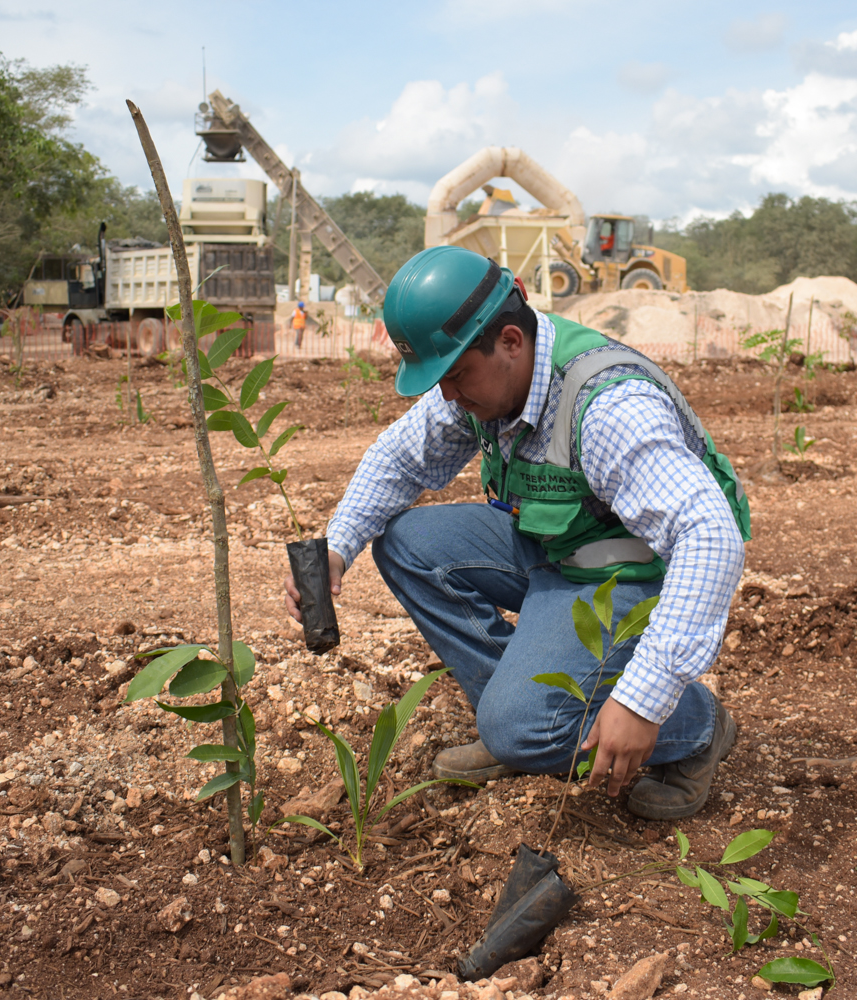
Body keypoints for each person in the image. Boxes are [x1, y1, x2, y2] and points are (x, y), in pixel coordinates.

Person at [283, 246, 751, 819]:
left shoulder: (609, 409)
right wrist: (337, 546)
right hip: (559, 547)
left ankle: (698, 724)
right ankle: (528, 720)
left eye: (455, 375)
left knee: (523, 728)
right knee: (406, 544)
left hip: (634, 570)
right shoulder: (484, 382)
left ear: (510, 340)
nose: (448, 395)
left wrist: (644, 698)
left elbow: (710, 537)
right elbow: (399, 458)